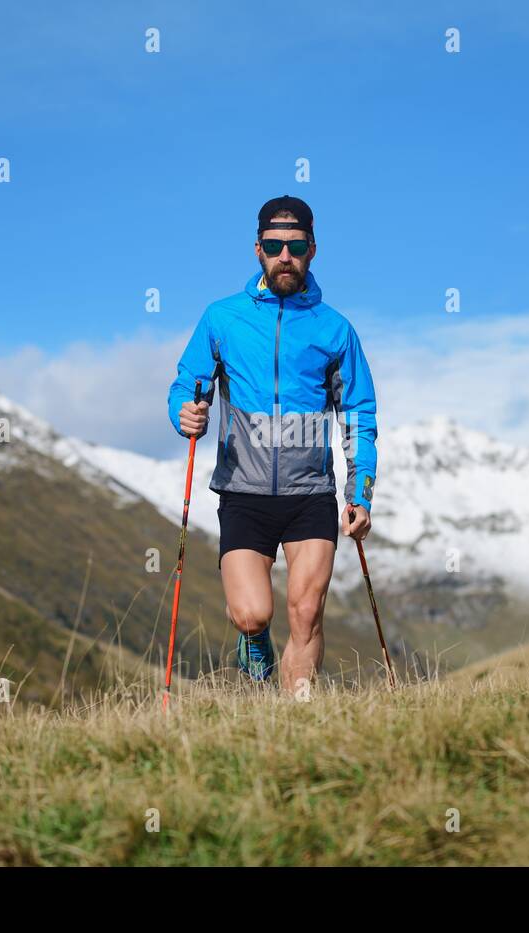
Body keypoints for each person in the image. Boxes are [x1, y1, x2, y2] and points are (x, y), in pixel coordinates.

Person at [166, 195, 378, 691]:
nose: (285, 255)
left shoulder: (336, 329)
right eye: (274, 245)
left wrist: (360, 493)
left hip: (310, 496)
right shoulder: (221, 319)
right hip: (244, 493)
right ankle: (253, 640)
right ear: (257, 249)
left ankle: (299, 726)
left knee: (306, 612)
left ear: (312, 250)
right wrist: (184, 413)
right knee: (251, 614)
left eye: (296, 245)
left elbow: (359, 416)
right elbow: (186, 383)